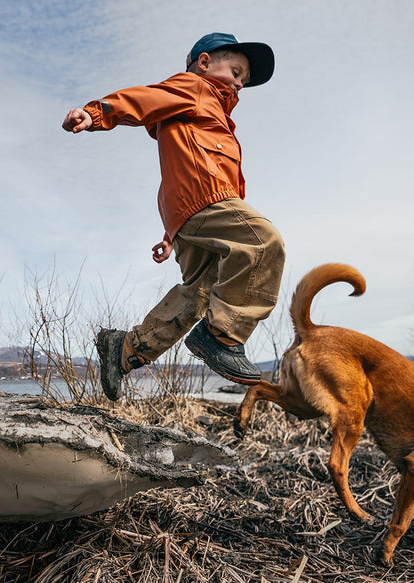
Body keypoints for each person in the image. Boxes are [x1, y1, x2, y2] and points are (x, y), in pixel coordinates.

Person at [61, 32, 285, 400]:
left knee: (197, 293)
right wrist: (96, 113)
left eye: (244, 79)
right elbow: (144, 99)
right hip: (205, 201)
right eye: (236, 70)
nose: (240, 82)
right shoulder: (195, 88)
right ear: (205, 62)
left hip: (191, 212)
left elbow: (182, 169)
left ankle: (125, 350)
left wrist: (172, 234)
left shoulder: (212, 115)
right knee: (263, 241)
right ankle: (221, 338)